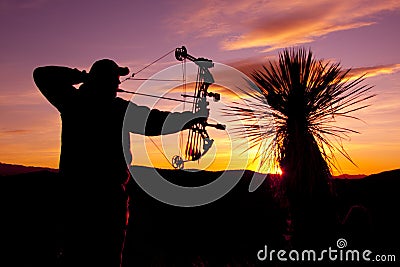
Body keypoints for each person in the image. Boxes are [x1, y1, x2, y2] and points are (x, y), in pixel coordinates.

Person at [33, 59, 207, 267]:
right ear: (102, 82)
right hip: (105, 199)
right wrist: (190, 119)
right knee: (105, 256)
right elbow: (154, 121)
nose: (117, 85)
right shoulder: (109, 108)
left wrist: (83, 76)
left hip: (76, 196)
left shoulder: (72, 101)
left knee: (77, 253)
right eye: (114, 80)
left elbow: (42, 75)